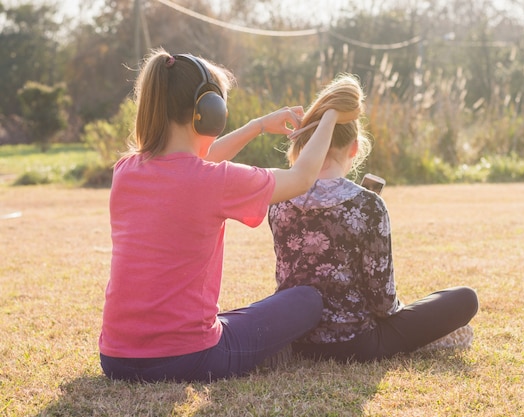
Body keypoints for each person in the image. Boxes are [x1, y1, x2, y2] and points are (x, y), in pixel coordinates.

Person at [98, 48, 359, 383]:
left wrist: (259, 126)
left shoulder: (126, 171)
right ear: (208, 111)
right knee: (306, 300)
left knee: (237, 317)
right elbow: (301, 178)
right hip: (187, 359)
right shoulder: (213, 181)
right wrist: (330, 117)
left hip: (115, 359)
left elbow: (192, 167)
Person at [268, 74, 479, 362]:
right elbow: (383, 304)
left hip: (297, 339)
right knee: (465, 298)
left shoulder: (279, 198)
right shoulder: (368, 205)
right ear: (354, 148)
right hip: (357, 343)